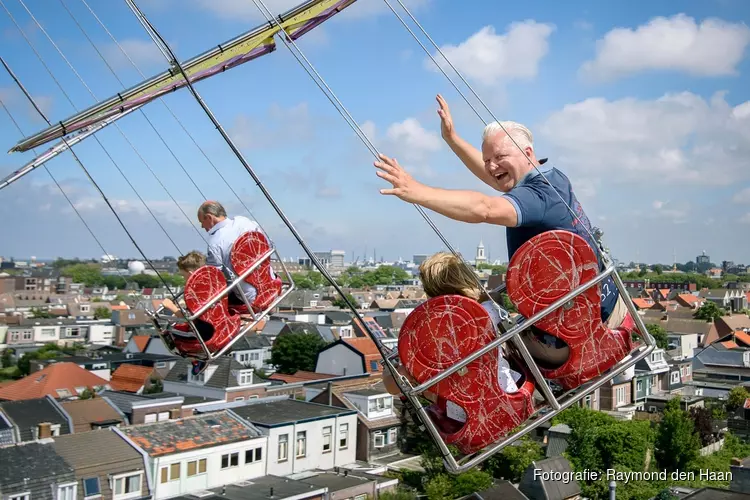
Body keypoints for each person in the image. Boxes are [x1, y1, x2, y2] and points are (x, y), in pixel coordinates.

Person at [374, 94, 630, 368]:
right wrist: (453, 140)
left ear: (527, 153)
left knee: (466, 348)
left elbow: (484, 208)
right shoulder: (553, 178)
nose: (491, 166)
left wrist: (417, 192)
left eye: (499, 157)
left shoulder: (537, 198)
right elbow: (496, 178)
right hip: (603, 308)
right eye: (487, 159)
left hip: (575, 337)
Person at [198, 200, 267, 314]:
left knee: (205, 306)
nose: (201, 226)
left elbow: (214, 278)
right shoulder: (245, 222)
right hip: (270, 284)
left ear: (209, 217)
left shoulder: (215, 243)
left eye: (201, 221)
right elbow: (266, 244)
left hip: (249, 298)